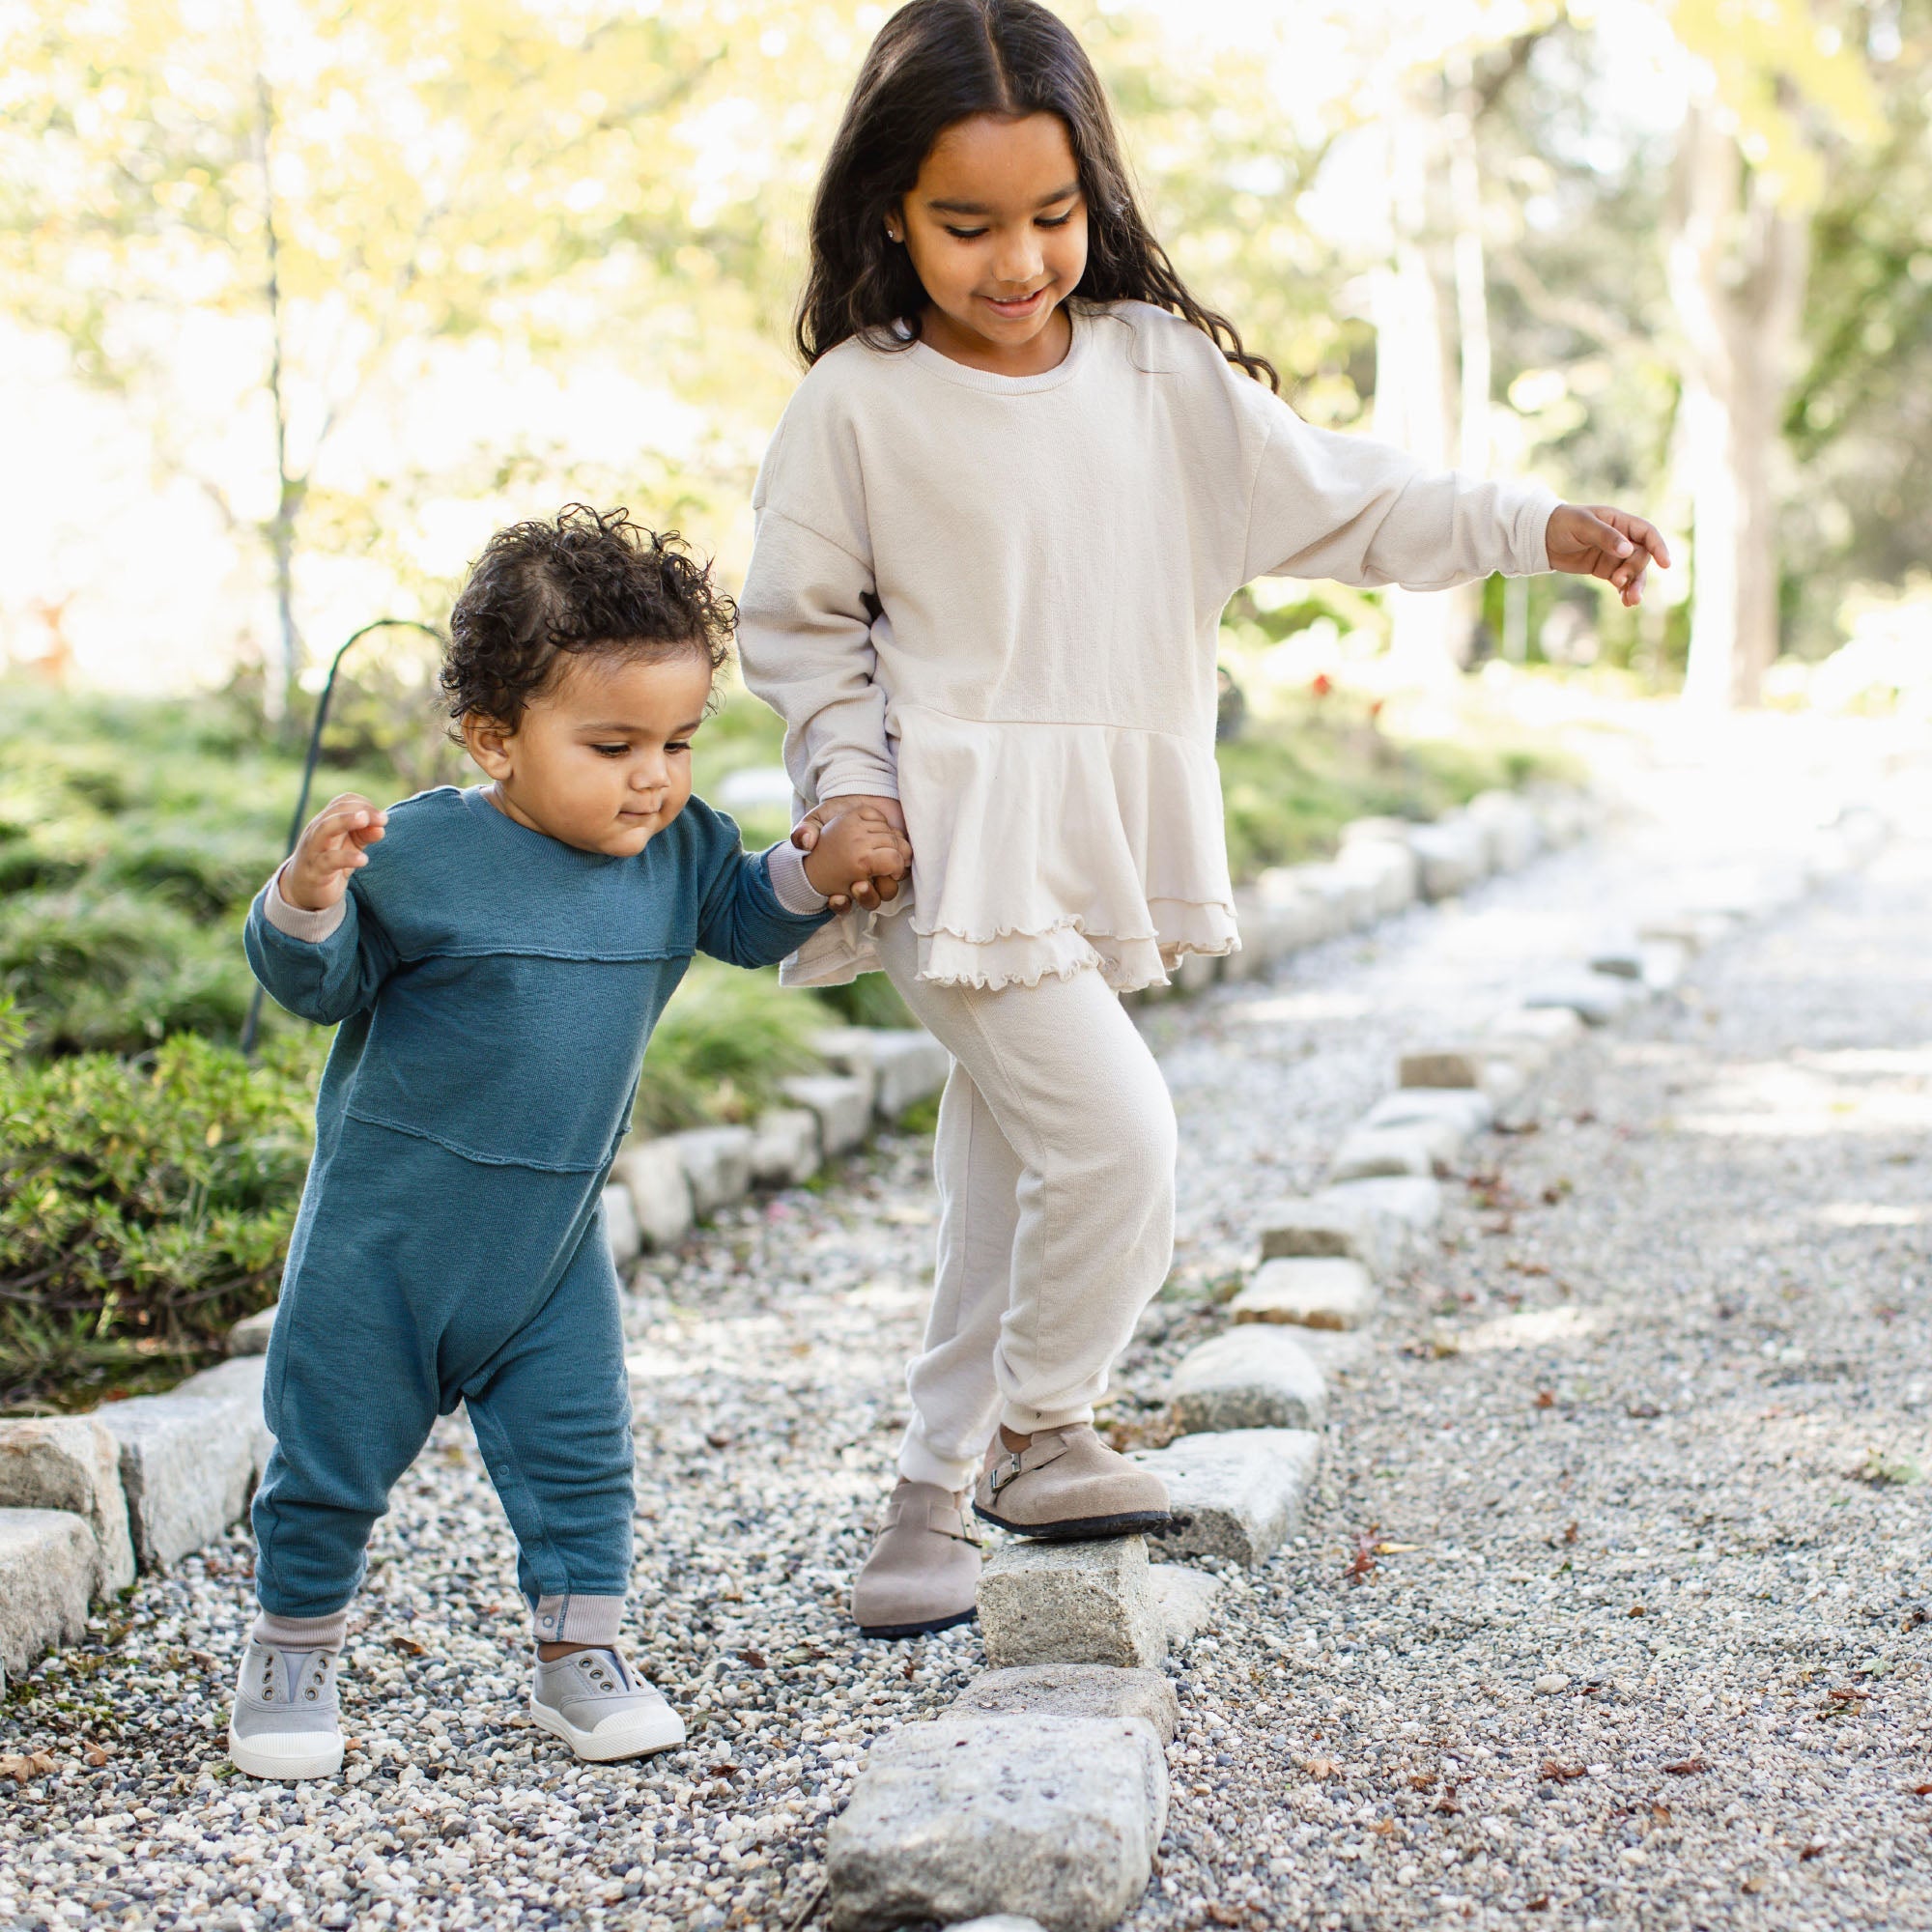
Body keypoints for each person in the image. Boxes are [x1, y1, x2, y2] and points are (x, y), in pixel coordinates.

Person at [736, 0, 1669, 1640]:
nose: (1018, 259)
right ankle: (1042, 1433)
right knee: (1118, 1140)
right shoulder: (859, 405)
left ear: (1094, 190)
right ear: (889, 208)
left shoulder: (1160, 377)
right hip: (942, 838)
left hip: (1082, 828)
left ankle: (925, 1499)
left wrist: (1539, 525)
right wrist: (850, 788)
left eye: (1051, 214)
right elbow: (804, 628)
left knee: (1003, 1173)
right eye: (967, 224)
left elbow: (1356, 502)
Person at [231, 506, 909, 1778]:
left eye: (678, 741)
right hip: (384, 1242)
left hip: (545, 1251)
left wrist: (817, 868)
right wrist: (308, 895)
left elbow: (749, 914)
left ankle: (578, 1656)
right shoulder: (421, 853)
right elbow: (316, 989)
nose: (652, 775)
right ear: (495, 737)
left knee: (581, 1451)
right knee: (329, 1453)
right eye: (612, 745)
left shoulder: (675, 851)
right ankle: (292, 1649)